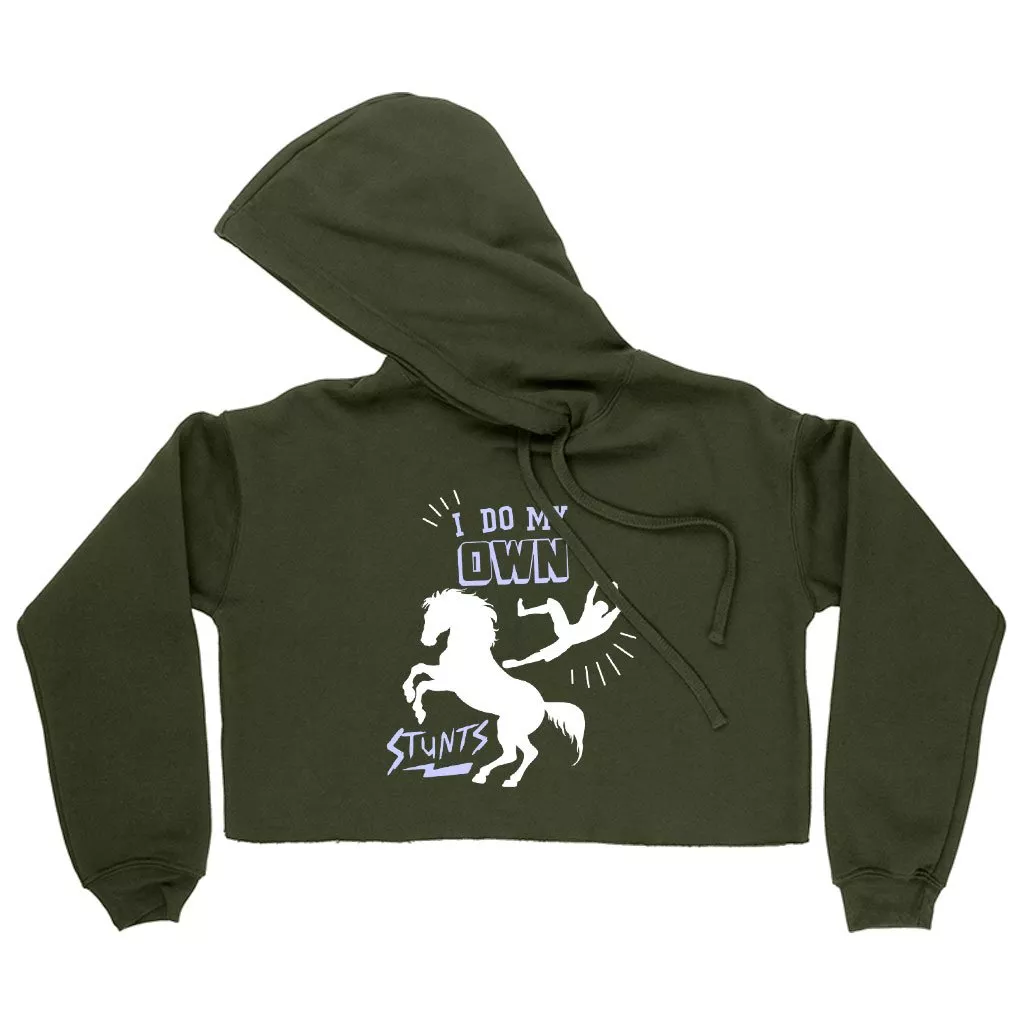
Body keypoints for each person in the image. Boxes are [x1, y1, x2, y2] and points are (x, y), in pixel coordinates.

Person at [501, 581, 620, 668]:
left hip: (567, 640)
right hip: (565, 629)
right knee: (553, 604)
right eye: (597, 604)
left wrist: (613, 592)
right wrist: (597, 585)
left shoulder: (603, 624)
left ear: (603, 612)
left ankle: (519, 663)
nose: (596, 606)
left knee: (543, 654)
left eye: (599, 606)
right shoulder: (590, 613)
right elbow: (590, 597)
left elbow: (616, 611)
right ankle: (524, 612)